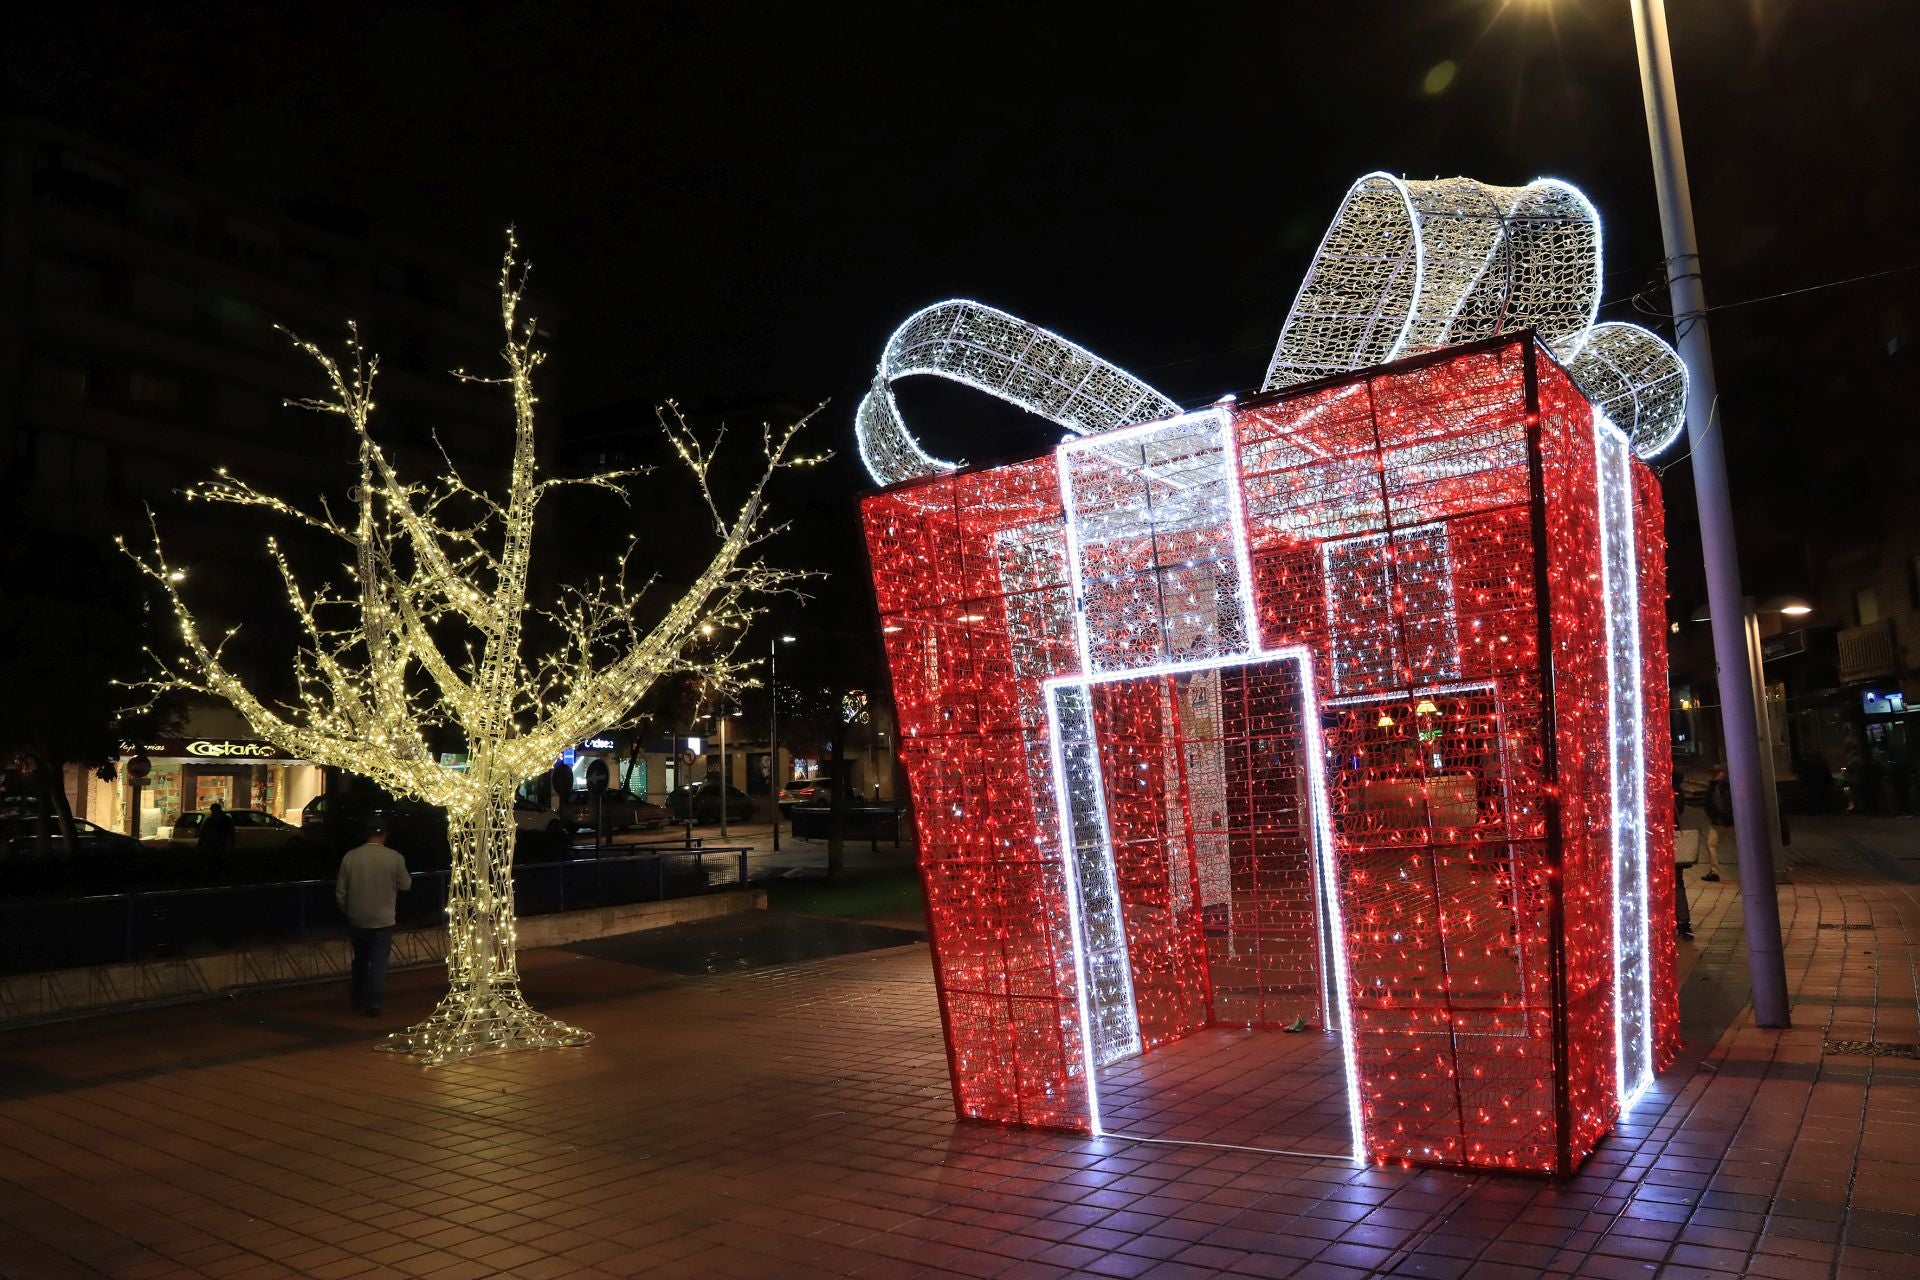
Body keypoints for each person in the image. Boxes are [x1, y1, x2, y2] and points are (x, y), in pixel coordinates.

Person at [335, 820, 412, 1017]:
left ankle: (357, 996)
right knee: (378, 961)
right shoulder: (394, 857)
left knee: (360, 958)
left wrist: (347, 910)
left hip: (358, 916)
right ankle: (374, 1002)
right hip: (383, 918)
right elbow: (406, 884)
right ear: (385, 835)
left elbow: (341, 891)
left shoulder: (351, 857)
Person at [1702, 766, 1732, 882]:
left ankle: (1714, 872)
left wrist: (1721, 816)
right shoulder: (1718, 785)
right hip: (1722, 821)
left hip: (1722, 821)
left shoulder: (1719, 786)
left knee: (1712, 845)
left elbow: (1716, 803)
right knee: (1711, 844)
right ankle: (1714, 871)